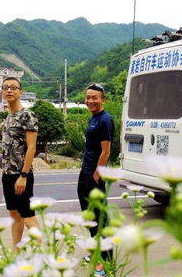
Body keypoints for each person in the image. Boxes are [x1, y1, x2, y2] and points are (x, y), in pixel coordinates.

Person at [77, 83, 115, 276]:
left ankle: (106, 264)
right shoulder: (94, 118)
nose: (90, 101)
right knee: (90, 217)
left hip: (94, 176)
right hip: (85, 173)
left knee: (101, 219)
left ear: (103, 100)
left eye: (95, 98)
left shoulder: (105, 120)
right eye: (88, 97)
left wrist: (96, 176)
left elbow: (106, 151)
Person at [1, 77, 40, 249]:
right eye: (5, 87)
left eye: (13, 87)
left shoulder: (27, 115)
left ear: (20, 92)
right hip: (7, 174)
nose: (9, 90)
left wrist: (23, 175)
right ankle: (16, 255)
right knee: (14, 215)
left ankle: (42, 258)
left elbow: (31, 148)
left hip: (21, 175)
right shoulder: (9, 116)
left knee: (28, 217)